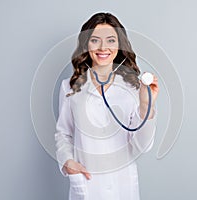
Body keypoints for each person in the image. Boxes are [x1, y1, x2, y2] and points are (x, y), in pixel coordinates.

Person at [55, 12, 159, 200]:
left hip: (122, 186)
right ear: (86, 44)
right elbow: (64, 133)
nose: (103, 47)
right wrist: (67, 161)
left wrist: (145, 104)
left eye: (111, 40)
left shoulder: (134, 87)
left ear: (119, 45)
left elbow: (143, 146)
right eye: (95, 40)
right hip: (87, 185)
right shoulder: (69, 87)